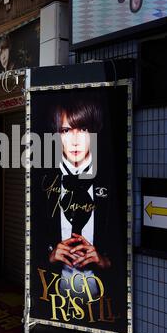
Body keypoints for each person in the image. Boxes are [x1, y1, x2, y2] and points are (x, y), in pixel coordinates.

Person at [46, 97, 111, 296]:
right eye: (66, 130)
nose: (75, 140)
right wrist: (50, 256)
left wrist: (104, 261)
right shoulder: (45, 183)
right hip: (53, 296)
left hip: (103, 300)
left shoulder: (110, 182)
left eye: (82, 129)